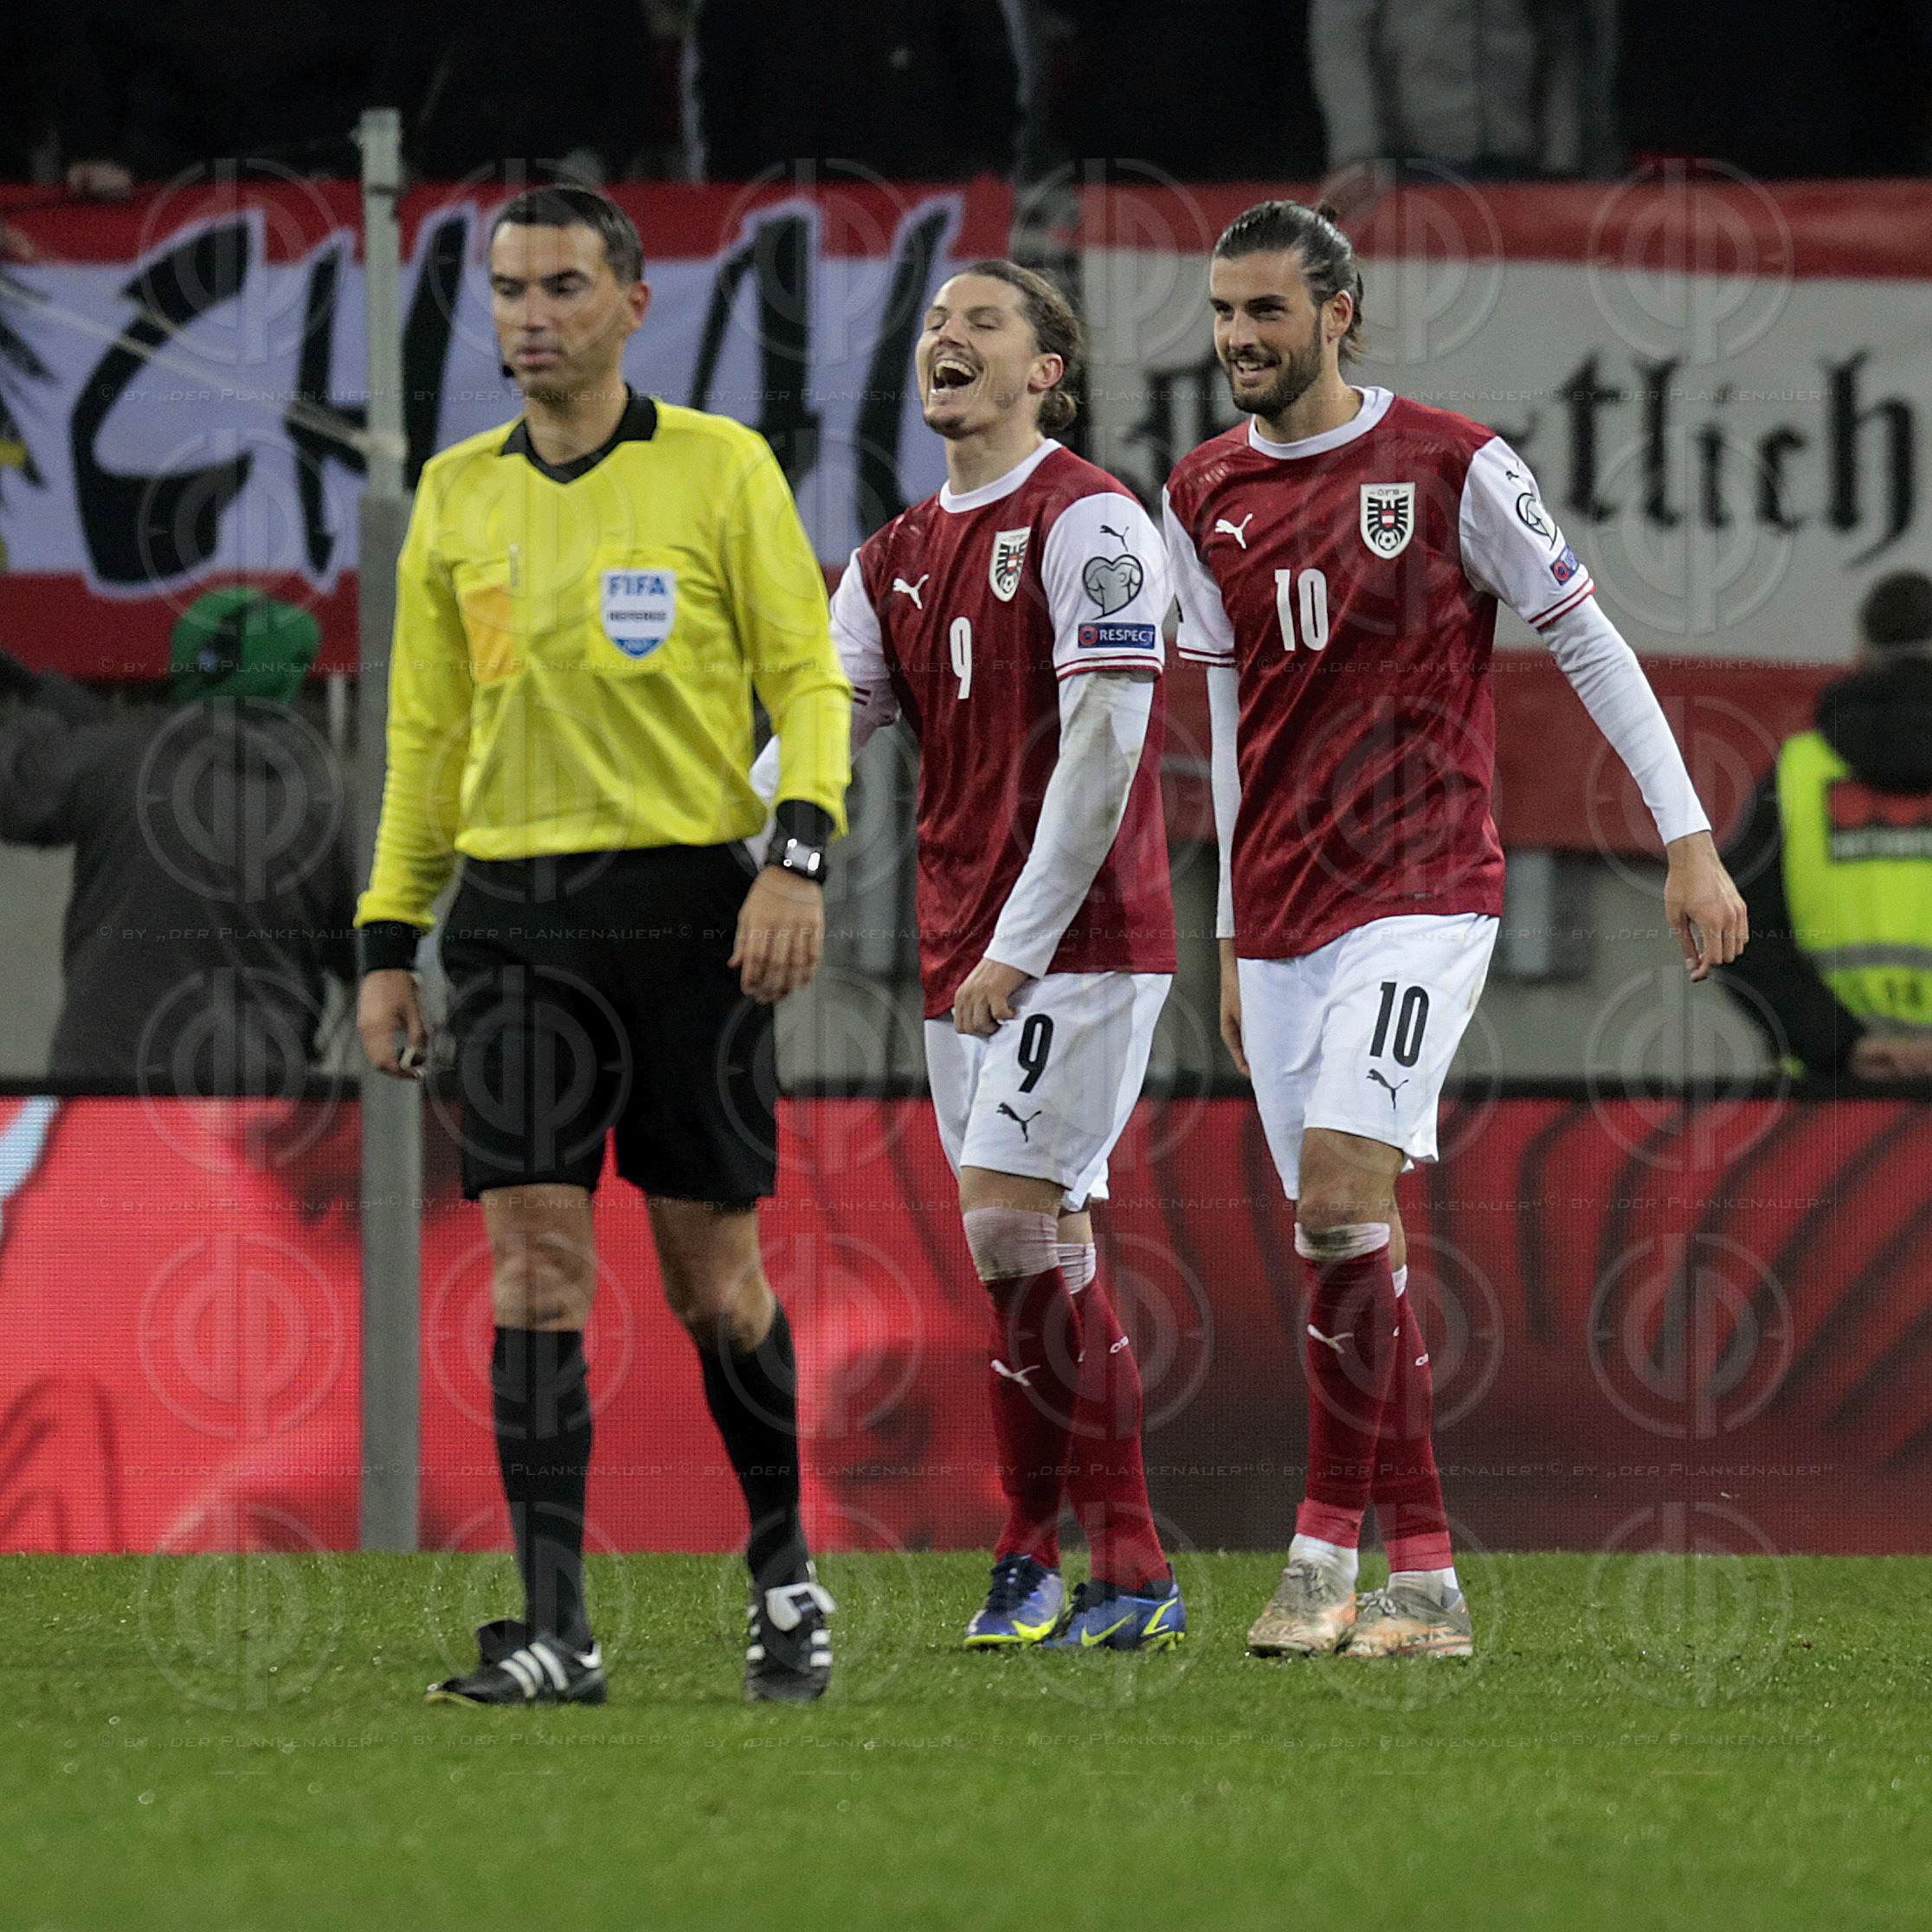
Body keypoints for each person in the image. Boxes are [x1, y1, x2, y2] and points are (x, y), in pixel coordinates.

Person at [1164, 200, 1748, 1660]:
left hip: (1421, 892)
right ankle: (1416, 1578)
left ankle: (1324, 1553)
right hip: (1283, 909)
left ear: (1338, 309)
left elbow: (1587, 638)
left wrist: (1685, 840)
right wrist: (1231, 928)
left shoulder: (1448, 461)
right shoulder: (1201, 491)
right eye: (1223, 313)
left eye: (1266, 313)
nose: (1239, 339)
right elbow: (1229, 723)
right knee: (1345, 1232)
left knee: (1336, 1188)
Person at [354, 186, 853, 1707]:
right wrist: (388, 936)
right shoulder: (454, 494)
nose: (529, 315)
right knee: (534, 1265)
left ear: (634, 303)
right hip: (513, 927)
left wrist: (799, 853)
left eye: (562, 285)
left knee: (715, 1281)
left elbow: (810, 684)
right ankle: (555, 1627)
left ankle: (782, 1577)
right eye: (508, 289)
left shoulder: (717, 468)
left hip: (691, 918)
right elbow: (425, 734)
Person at [765, 260, 1187, 1651]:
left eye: (982, 323)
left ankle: (1090, 1560)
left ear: (1043, 373)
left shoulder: (1093, 522)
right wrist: (694, 833)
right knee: (1034, 1251)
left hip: (1076, 942)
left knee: (1014, 1227)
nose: (946, 338)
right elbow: (813, 747)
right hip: (962, 951)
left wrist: (1019, 944)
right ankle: (1073, 1563)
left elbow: (1108, 748)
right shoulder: (890, 556)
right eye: (937, 323)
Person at [0, 588, 355, 1090]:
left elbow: (14, 794)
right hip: (257, 1106)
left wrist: (44, 715)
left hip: (105, 1093)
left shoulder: (117, 760)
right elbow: (372, 958)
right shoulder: (329, 804)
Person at [1719, 570, 1932, 1083]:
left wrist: (1843, 1046)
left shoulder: (1797, 773)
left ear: (1860, 655)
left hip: (1828, 1113)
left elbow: (1731, 928)